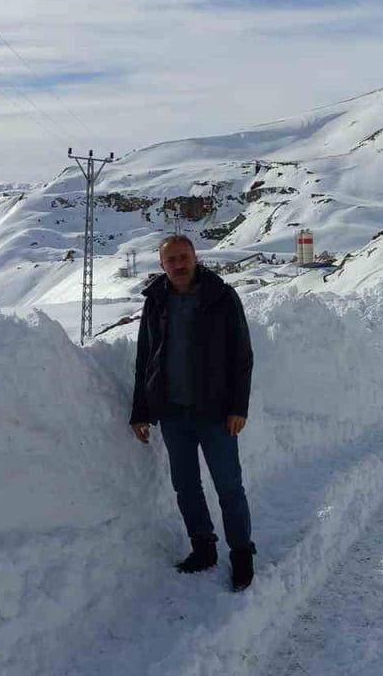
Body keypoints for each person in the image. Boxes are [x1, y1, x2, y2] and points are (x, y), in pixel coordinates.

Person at [130, 235, 257, 591]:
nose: (179, 264)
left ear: (195, 257)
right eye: (171, 259)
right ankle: (203, 549)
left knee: (228, 486)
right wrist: (140, 411)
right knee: (186, 487)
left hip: (217, 413)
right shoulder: (156, 301)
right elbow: (145, 358)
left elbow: (242, 357)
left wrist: (238, 407)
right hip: (173, 413)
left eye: (183, 257)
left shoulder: (221, 297)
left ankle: (242, 554)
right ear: (162, 265)